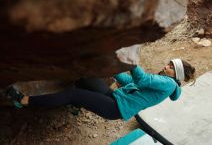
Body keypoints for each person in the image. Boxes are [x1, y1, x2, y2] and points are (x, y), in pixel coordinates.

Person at [6, 59, 195, 121]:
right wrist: (115, 69)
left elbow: (142, 78)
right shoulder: (165, 81)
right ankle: (74, 105)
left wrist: (130, 62)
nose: (166, 65)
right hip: (115, 97)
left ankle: (23, 100)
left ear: (176, 74)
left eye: (171, 66)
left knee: (73, 93)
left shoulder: (168, 84)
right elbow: (131, 82)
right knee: (84, 78)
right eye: (169, 63)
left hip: (116, 108)